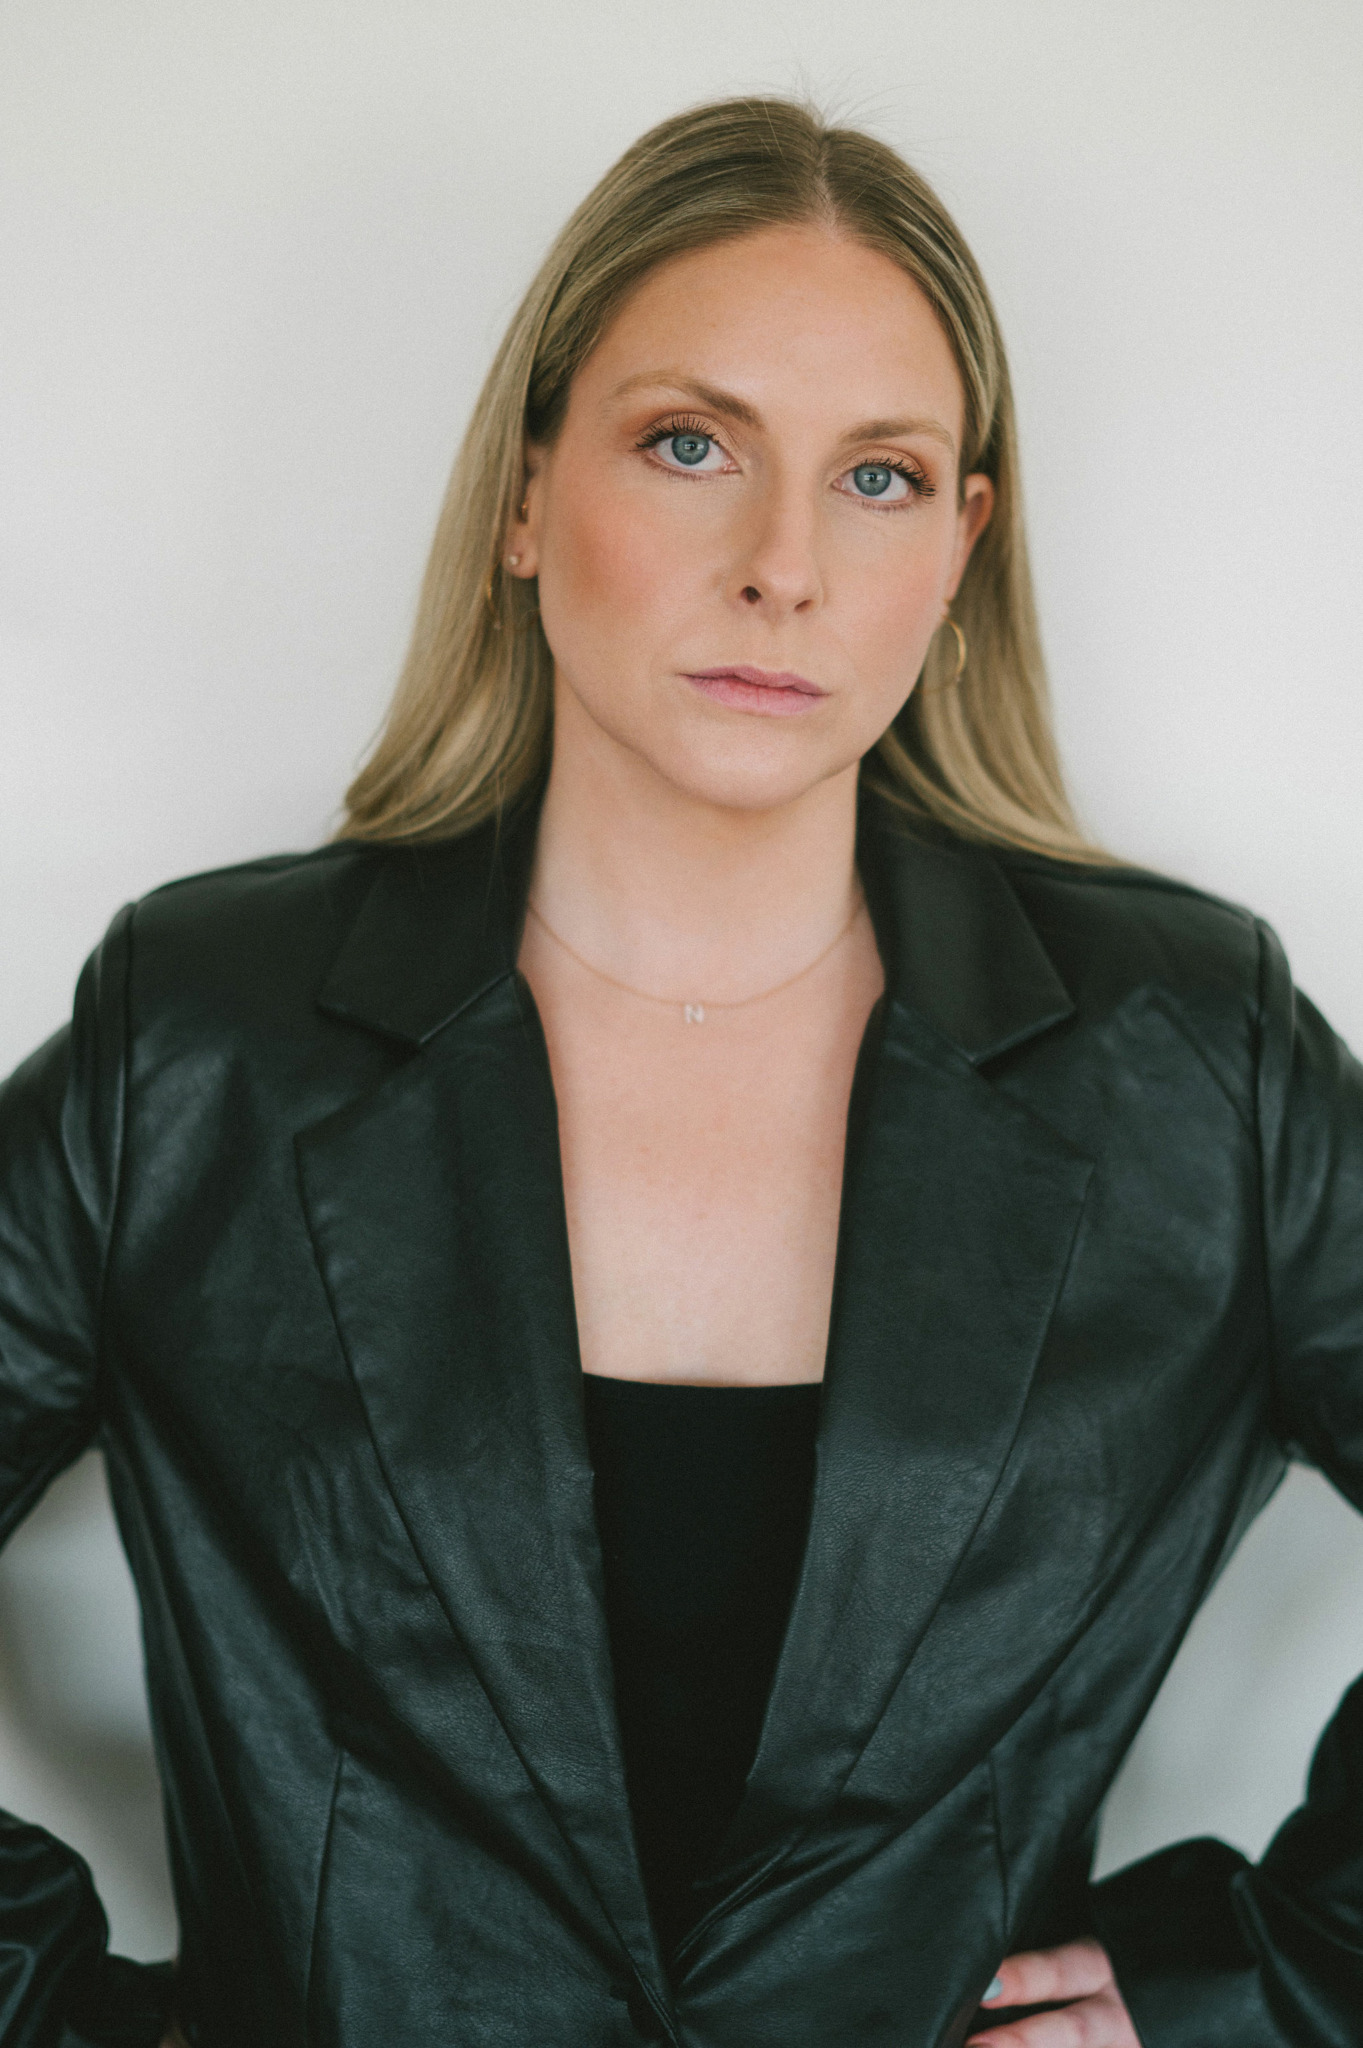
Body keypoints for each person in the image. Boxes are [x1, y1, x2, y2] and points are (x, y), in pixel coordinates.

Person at [0, 94, 1359, 2048]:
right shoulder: (206, 1041)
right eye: (691, 443)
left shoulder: (1189, 1065)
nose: (781, 564)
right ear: (527, 493)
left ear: (960, 547)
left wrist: (1260, 1989)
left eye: (879, 476)